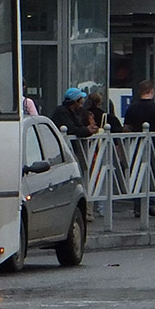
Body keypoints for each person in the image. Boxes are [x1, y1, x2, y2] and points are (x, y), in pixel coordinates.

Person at [123, 79, 155, 217]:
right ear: (152, 91)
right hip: (153, 144)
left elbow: (126, 128)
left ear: (140, 92)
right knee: (151, 173)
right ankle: (149, 203)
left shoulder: (132, 108)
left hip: (136, 144)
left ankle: (138, 204)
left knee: (137, 173)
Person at [52, 87, 99, 218]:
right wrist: (86, 130)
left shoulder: (76, 112)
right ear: (75, 101)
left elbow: (78, 126)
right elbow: (71, 129)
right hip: (64, 151)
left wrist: (87, 128)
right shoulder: (62, 112)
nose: (83, 102)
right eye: (81, 100)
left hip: (75, 149)